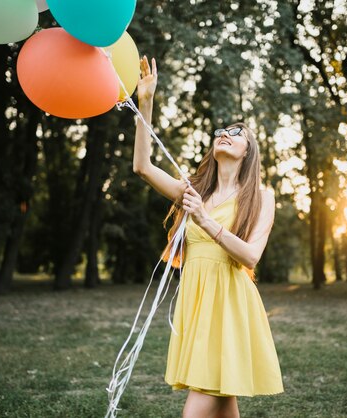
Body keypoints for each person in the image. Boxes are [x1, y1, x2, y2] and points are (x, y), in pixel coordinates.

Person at [132, 56, 284, 418]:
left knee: (198, 407)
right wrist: (147, 101)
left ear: (248, 152)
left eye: (236, 134)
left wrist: (203, 218)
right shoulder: (194, 190)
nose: (225, 135)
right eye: (221, 132)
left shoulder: (262, 197)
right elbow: (142, 166)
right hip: (197, 299)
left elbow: (250, 257)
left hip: (231, 302)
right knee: (222, 397)